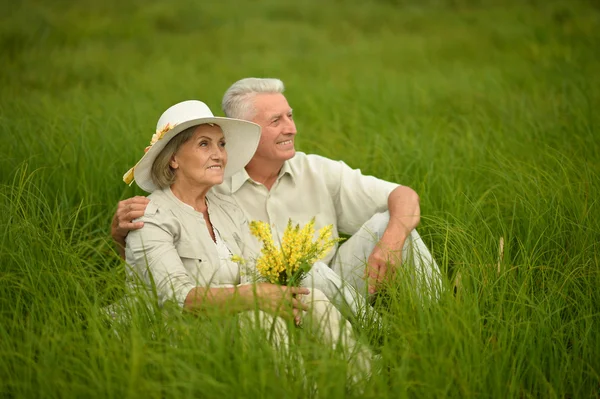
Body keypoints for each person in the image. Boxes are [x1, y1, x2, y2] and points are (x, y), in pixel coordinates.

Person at [113, 78, 442, 298]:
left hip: (339, 282)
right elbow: (166, 246)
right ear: (248, 132)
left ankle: (437, 317)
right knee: (300, 270)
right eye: (276, 121)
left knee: (392, 224)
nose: (292, 128)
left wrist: (391, 242)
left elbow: (404, 195)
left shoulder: (316, 169)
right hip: (264, 297)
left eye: (290, 116)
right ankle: (369, 334)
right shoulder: (211, 183)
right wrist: (120, 233)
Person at [121, 99, 371, 378]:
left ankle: (366, 379)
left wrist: (272, 295)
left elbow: (254, 270)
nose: (218, 154)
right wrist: (256, 297)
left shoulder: (226, 208)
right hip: (179, 332)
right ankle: (302, 390)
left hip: (232, 316)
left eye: (222, 144)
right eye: (204, 144)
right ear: (173, 158)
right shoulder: (151, 217)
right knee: (260, 319)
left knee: (313, 298)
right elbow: (179, 299)